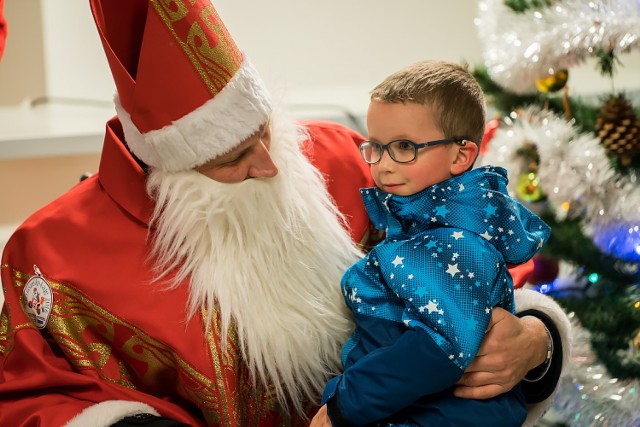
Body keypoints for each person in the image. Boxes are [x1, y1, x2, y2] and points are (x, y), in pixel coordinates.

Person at [0, 1, 569, 426]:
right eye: (235, 158)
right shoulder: (52, 254)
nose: (271, 165)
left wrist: (534, 338)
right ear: (172, 177)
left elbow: (480, 264)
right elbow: (36, 395)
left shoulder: (345, 158)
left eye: (266, 133)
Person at [311, 60, 560, 427]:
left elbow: (438, 346)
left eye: (404, 147)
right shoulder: (423, 226)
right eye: (376, 147)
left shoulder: (450, 242)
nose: (383, 165)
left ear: (461, 155)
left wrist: (342, 406)